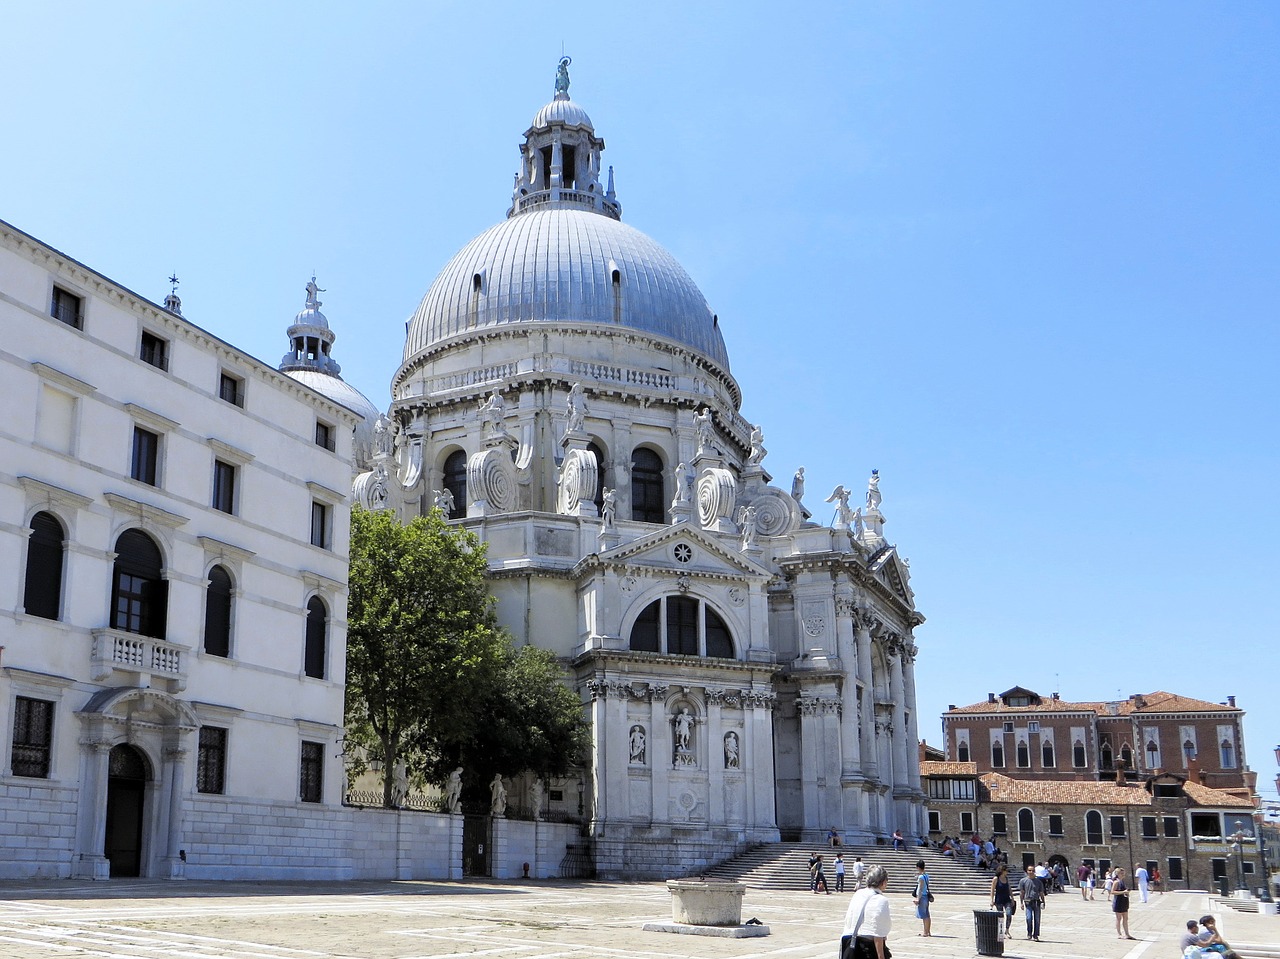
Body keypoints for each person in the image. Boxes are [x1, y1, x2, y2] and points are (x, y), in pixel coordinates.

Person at [840, 864, 890, 959]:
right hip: (867, 948)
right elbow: (877, 932)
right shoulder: (881, 900)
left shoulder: (858, 894)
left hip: (850, 943)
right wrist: (881, 956)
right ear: (883, 882)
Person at [1018, 864, 1044, 942]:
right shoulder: (1023, 881)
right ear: (1027, 871)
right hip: (1028, 902)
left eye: (1032, 870)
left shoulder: (1038, 882)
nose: (1031, 872)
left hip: (1036, 902)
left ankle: (1035, 935)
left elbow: (1041, 893)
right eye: (1029, 870)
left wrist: (1043, 901)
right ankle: (1029, 932)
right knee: (1028, 918)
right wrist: (1021, 903)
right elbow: (1022, 892)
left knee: (1037, 919)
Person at [990, 864, 1015, 938]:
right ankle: (1000, 931)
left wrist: (1012, 898)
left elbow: (1009, 889)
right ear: (1002, 871)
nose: (1007, 872)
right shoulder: (996, 879)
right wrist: (992, 900)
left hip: (1007, 899)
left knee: (1009, 914)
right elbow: (992, 890)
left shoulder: (1006, 879)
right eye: (1006, 871)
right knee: (1000, 916)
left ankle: (1007, 930)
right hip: (999, 900)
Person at [1111, 866, 1134, 940]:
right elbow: (1112, 892)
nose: (1123, 875)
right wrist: (1123, 892)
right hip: (1118, 902)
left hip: (1124, 901)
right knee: (1119, 918)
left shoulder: (1122, 882)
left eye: (1124, 873)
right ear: (1118, 874)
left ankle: (1127, 934)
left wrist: (1126, 892)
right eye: (1122, 873)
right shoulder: (1116, 882)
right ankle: (1119, 934)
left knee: (1125, 918)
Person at [912, 859, 932, 937]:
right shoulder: (926, 875)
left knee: (924, 916)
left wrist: (917, 899)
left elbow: (920, 889)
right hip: (926, 896)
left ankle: (925, 932)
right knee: (927, 914)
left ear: (918, 867)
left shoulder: (921, 877)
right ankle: (928, 931)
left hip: (922, 897)